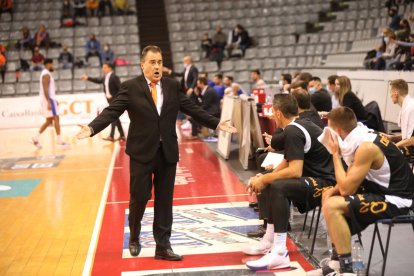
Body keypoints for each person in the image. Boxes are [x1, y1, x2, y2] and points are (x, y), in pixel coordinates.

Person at [75, 45, 236, 260]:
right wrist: (92, 128)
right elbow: (112, 111)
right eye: (152, 62)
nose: (157, 66)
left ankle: (163, 246)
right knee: (139, 197)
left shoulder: (171, 85)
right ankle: (134, 236)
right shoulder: (130, 87)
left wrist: (217, 123)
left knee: (164, 200)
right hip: (141, 152)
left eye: (159, 62)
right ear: (143, 65)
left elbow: (192, 108)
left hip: (167, 152)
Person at [311, 107, 414, 275]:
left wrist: (335, 154)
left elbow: (346, 189)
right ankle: (336, 263)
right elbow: (349, 180)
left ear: (337, 132)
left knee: (332, 205)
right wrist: (331, 190)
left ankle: (347, 270)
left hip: (399, 199)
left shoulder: (366, 147)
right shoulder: (361, 138)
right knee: (329, 195)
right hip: (383, 192)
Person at [244, 94, 335, 271]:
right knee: (272, 179)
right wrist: (262, 178)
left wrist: (264, 178)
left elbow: (295, 171)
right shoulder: (296, 126)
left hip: (327, 182)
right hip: (317, 177)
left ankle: (279, 252)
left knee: (279, 185)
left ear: (277, 113)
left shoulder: (293, 131)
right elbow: (287, 162)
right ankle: (270, 241)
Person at [80, 63, 125, 142]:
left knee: (113, 117)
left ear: (110, 68)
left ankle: (111, 136)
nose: (103, 69)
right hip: (110, 100)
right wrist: (87, 78)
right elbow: (97, 80)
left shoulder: (114, 77)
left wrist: (119, 99)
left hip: (115, 99)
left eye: (105, 67)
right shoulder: (105, 77)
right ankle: (122, 135)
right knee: (116, 118)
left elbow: (120, 88)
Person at [31, 59, 69, 149]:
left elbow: (48, 90)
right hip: (48, 99)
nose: (53, 66)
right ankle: (59, 141)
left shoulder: (45, 73)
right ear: (48, 64)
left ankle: (35, 138)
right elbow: (45, 89)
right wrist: (49, 101)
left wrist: (53, 100)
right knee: (56, 118)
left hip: (49, 99)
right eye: (52, 64)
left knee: (49, 121)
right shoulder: (46, 74)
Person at [387, 79, 414, 148]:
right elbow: (408, 137)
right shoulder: (407, 106)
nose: (390, 95)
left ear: (395, 94)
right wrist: (392, 137)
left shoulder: (411, 108)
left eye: (391, 93)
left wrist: (393, 148)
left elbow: (412, 140)